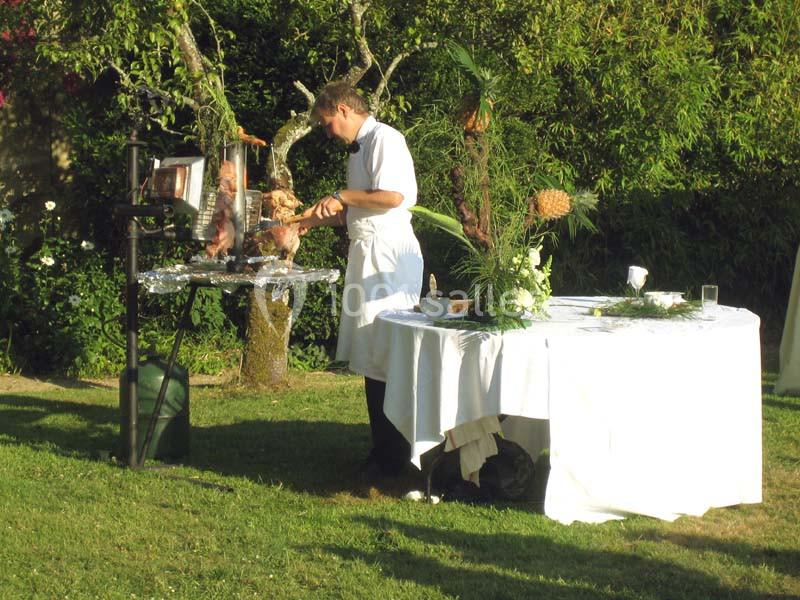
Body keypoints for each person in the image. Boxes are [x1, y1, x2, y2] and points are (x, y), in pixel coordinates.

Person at [298, 81, 424, 478]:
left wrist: (344, 196)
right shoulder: (360, 149)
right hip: (366, 253)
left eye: (326, 122)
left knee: (388, 352)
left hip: (388, 258)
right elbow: (360, 207)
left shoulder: (386, 138)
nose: (327, 131)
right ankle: (383, 451)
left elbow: (393, 198)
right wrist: (311, 220)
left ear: (343, 110)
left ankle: (398, 455)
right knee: (372, 354)